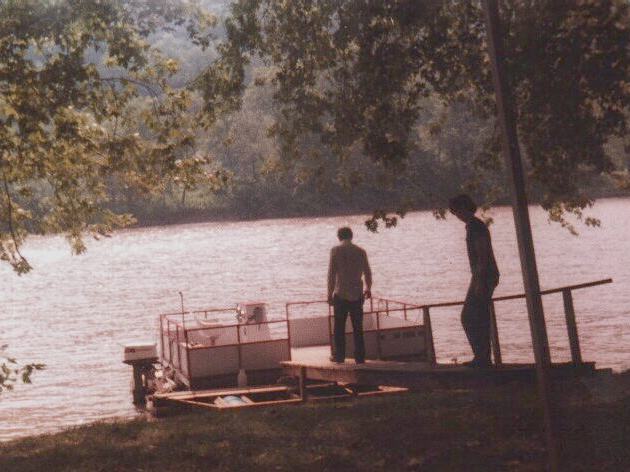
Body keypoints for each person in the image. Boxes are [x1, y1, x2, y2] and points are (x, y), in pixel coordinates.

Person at [449, 194, 500, 368]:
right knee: (479, 316)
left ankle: (482, 357)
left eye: (457, 212)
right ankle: (483, 357)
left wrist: (478, 280)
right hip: (484, 275)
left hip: (484, 275)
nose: (457, 216)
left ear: (464, 208)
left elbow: (482, 254)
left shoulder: (475, 226)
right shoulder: (473, 226)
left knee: (469, 316)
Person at [327, 226, 372, 364]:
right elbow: (368, 272)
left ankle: (339, 356)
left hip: (340, 293)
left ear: (339, 237)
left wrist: (329, 293)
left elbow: (331, 274)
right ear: (351, 236)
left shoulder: (335, 251)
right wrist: (368, 288)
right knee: (358, 327)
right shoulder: (361, 251)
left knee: (339, 327)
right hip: (357, 293)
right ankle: (360, 356)